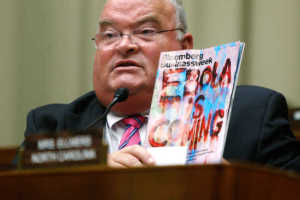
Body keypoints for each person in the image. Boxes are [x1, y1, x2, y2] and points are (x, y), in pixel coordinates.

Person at [21, 0, 300, 170]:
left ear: (184, 46)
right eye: (110, 34)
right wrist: (89, 179)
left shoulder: (252, 115)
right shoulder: (51, 127)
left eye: (145, 31)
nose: (125, 45)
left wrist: (231, 185)